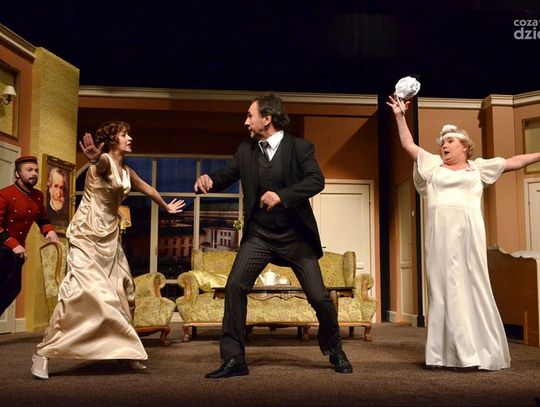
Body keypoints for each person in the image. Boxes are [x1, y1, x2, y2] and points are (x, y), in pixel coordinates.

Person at [195, 93, 352, 379]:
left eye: (250, 116)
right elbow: (226, 175)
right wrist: (209, 180)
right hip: (260, 235)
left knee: (319, 298)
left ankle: (335, 350)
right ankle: (234, 359)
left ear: (267, 119)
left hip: (295, 237)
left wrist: (281, 195)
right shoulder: (246, 150)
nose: (246, 122)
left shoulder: (300, 147)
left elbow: (316, 181)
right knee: (235, 287)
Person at [387, 94, 540, 370]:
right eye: (443, 142)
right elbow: (408, 145)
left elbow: (514, 161)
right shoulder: (433, 166)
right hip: (440, 238)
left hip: (468, 238)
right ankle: (442, 355)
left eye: (450, 141)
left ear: (465, 147)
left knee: (471, 287)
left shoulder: (478, 169)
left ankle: (474, 352)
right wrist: (400, 116)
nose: (444, 145)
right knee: (443, 289)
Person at [31, 120, 185, 379]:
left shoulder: (127, 170)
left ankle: (126, 351)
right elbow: (100, 164)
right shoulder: (102, 162)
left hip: (110, 238)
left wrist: (166, 206)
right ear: (113, 140)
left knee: (123, 292)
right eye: (124, 135)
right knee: (81, 294)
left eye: (129, 134)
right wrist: (93, 158)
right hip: (87, 235)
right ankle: (43, 352)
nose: (130, 138)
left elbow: (147, 188)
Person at [0, 156, 59, 316]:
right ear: (17, 173)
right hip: (3, 249)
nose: (34, 174)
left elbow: (42, 217)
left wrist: (49, 230)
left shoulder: (38, 196)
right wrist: (13, 245)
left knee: (13, 289)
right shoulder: (4, 194)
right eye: (29, 170)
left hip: (17, 252)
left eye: (36, 170)